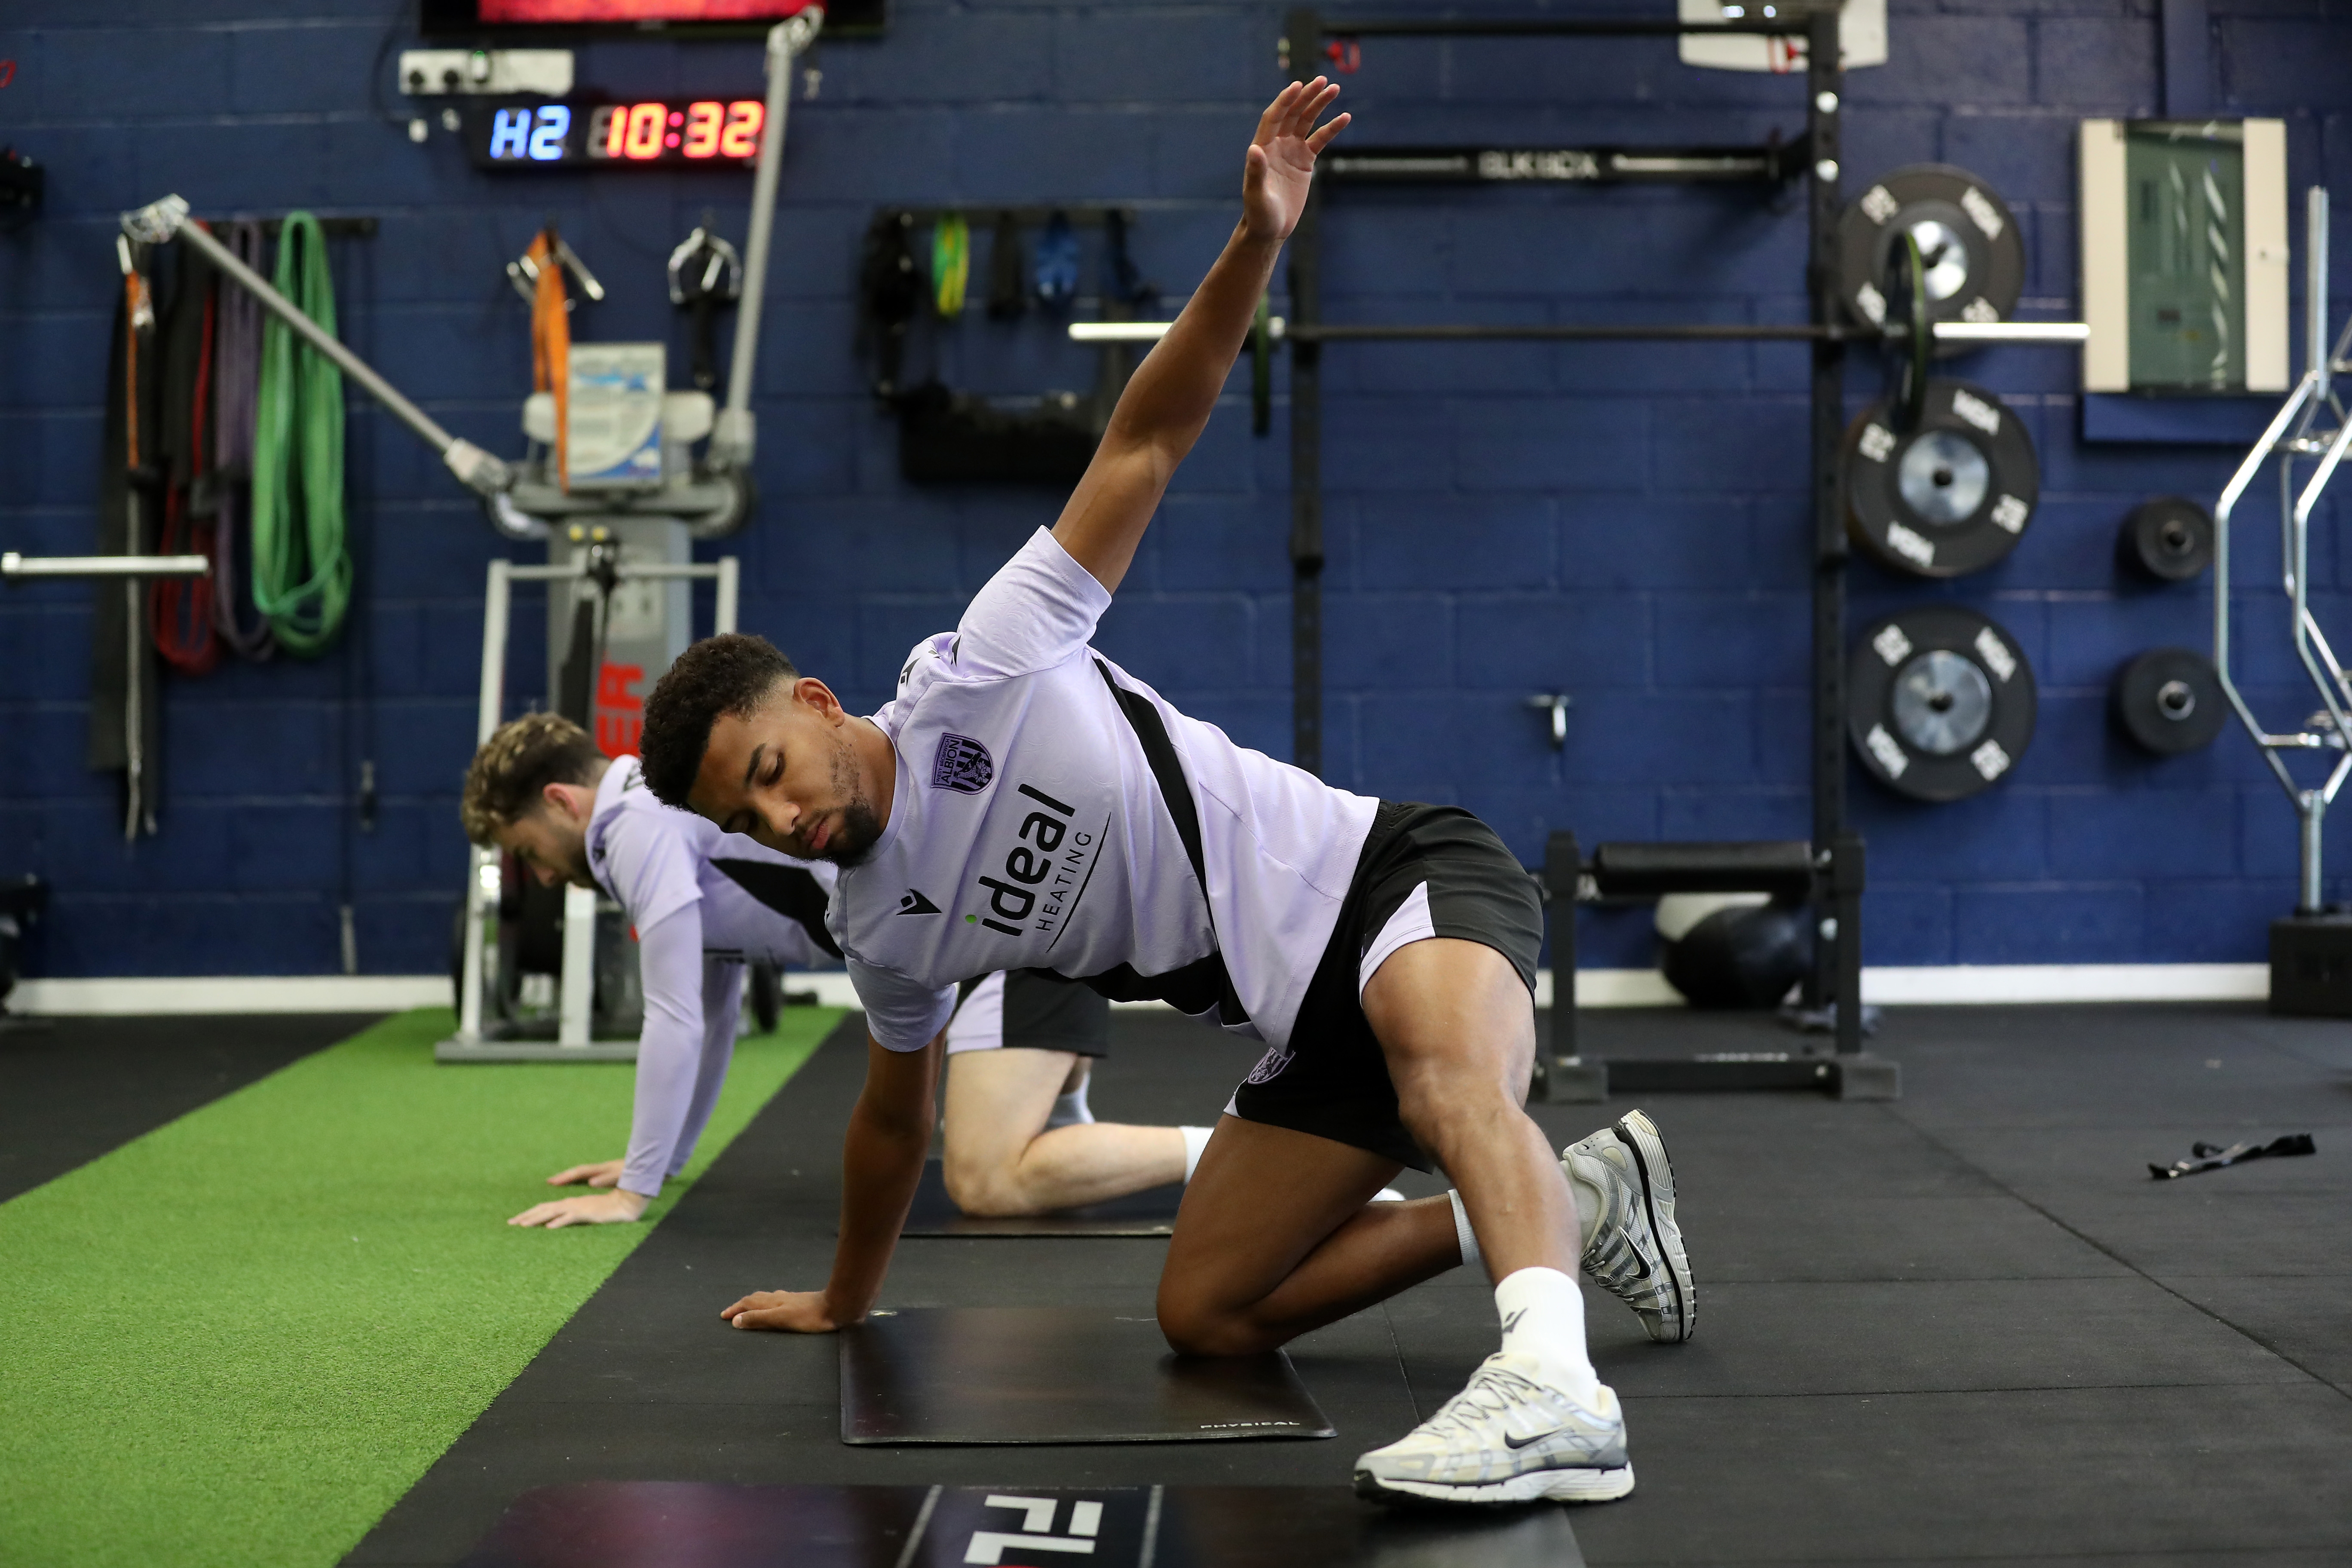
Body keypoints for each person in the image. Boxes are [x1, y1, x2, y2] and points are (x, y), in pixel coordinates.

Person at [634, 80, 1696, 1507]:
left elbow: (1146, 438)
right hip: (1301, 1022)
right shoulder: (883, 925)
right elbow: (892, 1122)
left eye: (767, 771)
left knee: (1449, 1076)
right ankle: (1575, 1195)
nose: (780, 818)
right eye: (745, 820)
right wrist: (842, 1296)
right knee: (1207, 1311)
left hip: (1395, 888)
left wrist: (1256, 238)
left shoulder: (986, 664)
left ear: (815, 703)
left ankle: (1556, 1385)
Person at [458, 712, 1207, 1230]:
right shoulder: (655, 816)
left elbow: (675, 1016)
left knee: (986, 1182)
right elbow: (717, 1010)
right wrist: (661, 1161)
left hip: (998, 949)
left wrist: (632, 1194)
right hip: (983, 955)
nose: (545, 879)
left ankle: (1228, 1155)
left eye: (529, 853)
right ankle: (1066, 1134)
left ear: (561, 801)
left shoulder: (631, 828)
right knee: (1029, 1158)